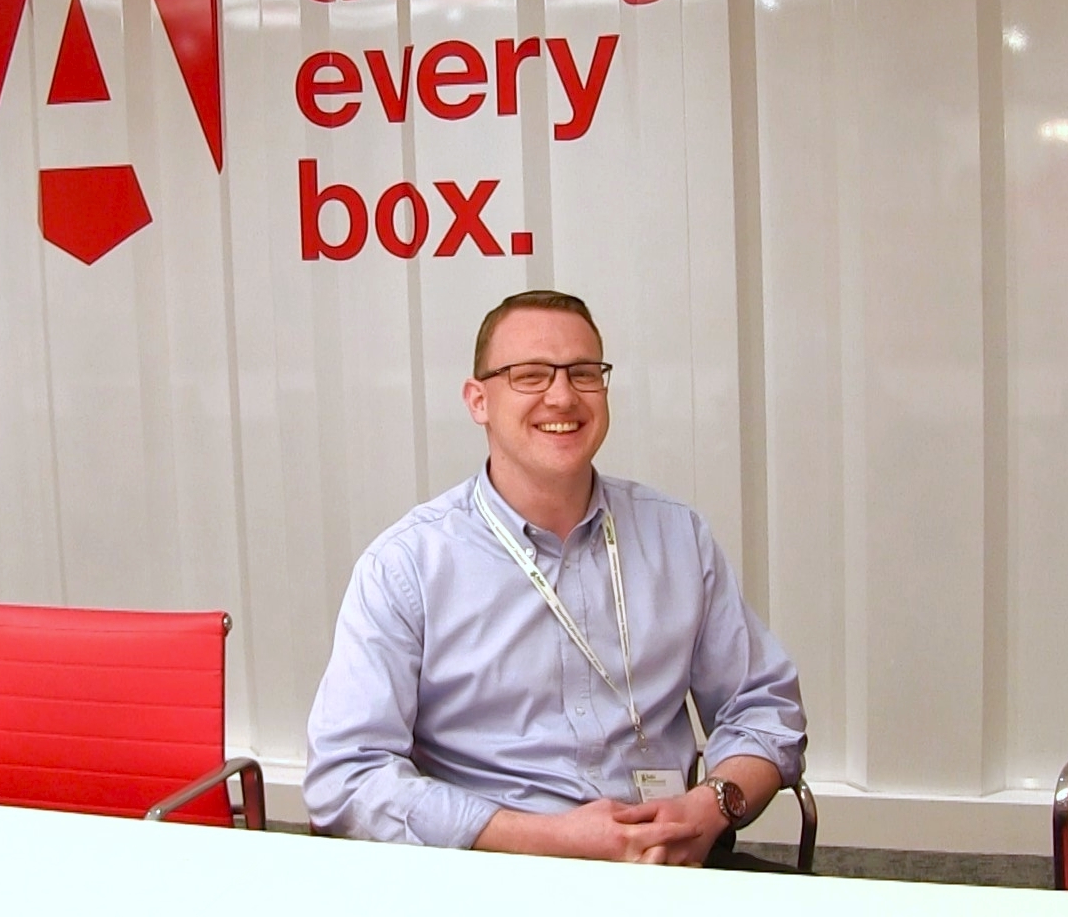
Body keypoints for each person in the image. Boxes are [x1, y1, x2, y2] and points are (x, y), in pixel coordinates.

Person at [304, 290, 807, 867]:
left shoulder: (677, 537)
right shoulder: (407, 566)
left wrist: (713, 805)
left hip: (669, 865)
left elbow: (764, 706)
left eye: (584, 373)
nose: (563, 395)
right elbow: (346, 775)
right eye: (530, 375)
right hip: (490, 874)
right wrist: (547, 838)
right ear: (478, 400)